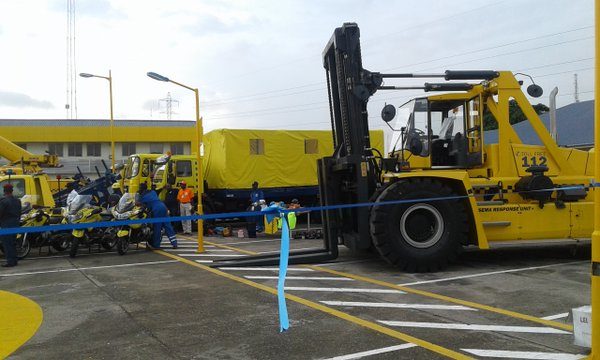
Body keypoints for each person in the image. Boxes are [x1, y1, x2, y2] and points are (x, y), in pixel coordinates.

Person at [138, 183, 178, 249]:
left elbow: (141, 206)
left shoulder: (143, 196)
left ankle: (156, 245)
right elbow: (157, 191)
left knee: (157, 227)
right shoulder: (152, 192)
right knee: (168, 226)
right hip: (163, 207)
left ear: (141, 189)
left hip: (157, 209)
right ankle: (174, 243)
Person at [0, 184, 22, 267]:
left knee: (7, 243)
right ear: (12, 191)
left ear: (4, 191)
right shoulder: (17, 201)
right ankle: (15, 260)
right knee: (13, 242)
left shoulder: (3, 201)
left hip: (6, 223)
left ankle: (10, 262)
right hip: (15, 223)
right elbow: (20, 212)